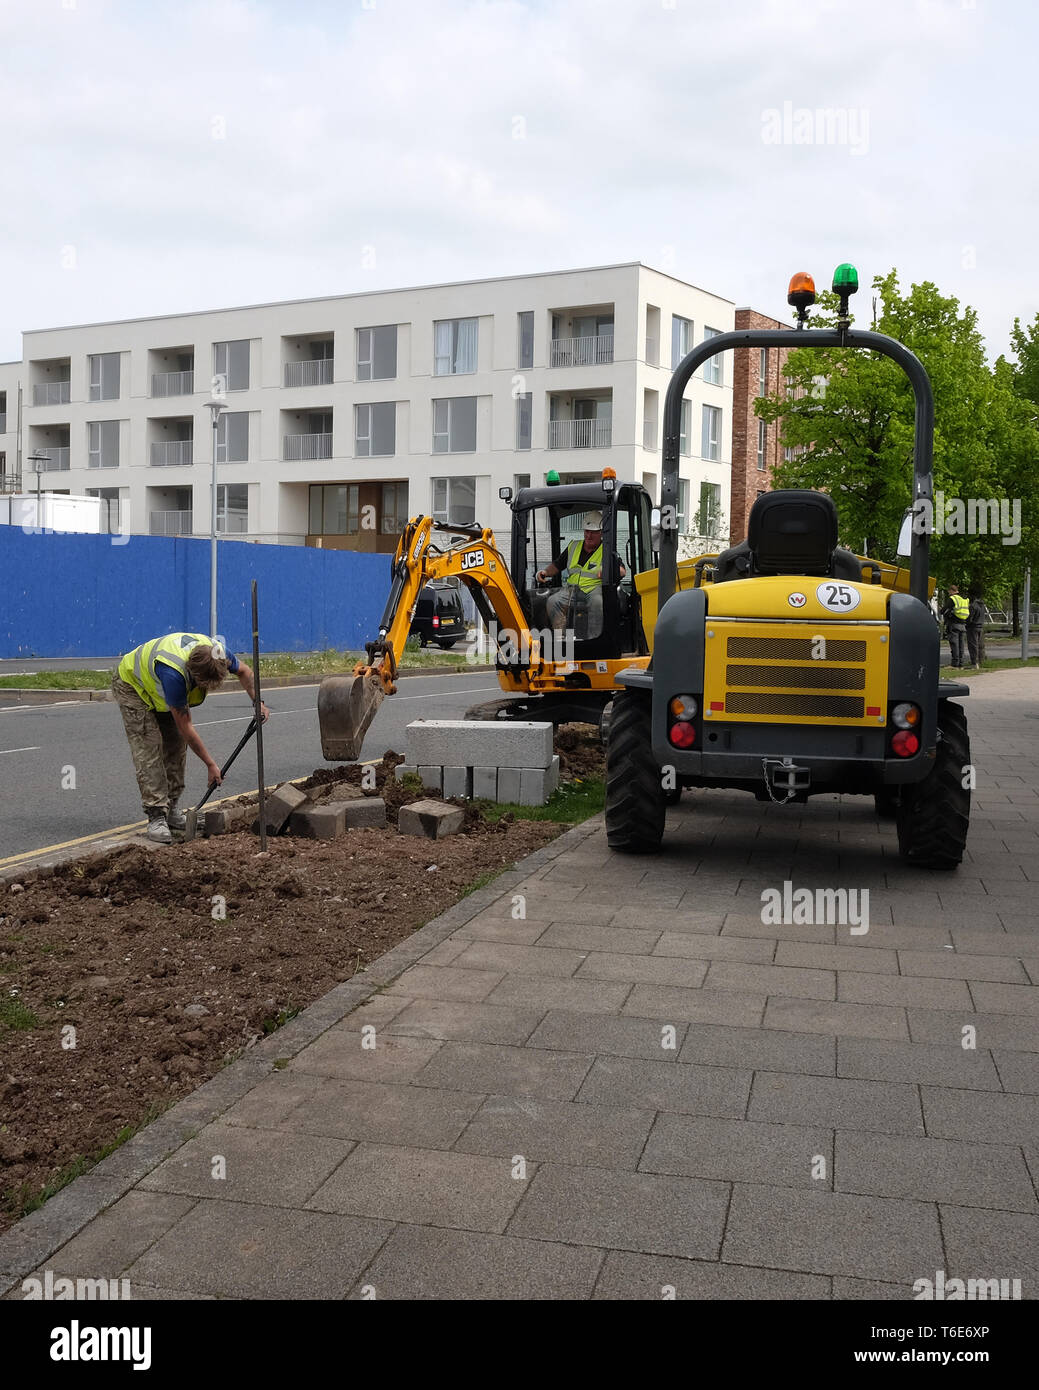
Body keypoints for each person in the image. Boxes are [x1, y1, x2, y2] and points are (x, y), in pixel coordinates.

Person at [112, 632, 269, 843]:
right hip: (133, 686)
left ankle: (172, 809)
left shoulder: (219, 654)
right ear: (192, 675)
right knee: (149, 749)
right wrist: (211, 765)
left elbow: (245, 672)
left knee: (175, 748)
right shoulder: (173, 675)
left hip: (158, 687)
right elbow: (186, 727)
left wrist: (257, 701)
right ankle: (156, 816)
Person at [536, 511, 625, 640]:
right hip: (571, 589)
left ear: (601, 532)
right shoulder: (573, 546)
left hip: (594, 589)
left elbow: (622, 571)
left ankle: (594, 640)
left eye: (593, 532)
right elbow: (557, 565)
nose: (589, 535)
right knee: (553, 601)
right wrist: (545, 572)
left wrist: (608, 570)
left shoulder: (607, 549)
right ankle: (561, 639)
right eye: (587, 531)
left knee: (597, 602)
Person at [941, 585, 970, 668]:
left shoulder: (953, 599)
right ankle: (961, 663)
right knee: (961, 645)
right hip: (963, 625)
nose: (948, 593)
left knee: (954, 644)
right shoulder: (964, 599)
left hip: (954, 624)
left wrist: (942, 611)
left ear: (951, 591)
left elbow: (943, 610)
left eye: (949, 592)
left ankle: (955, 664)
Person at [967, 588, 986, 669]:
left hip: (973, 627)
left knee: (973, 645)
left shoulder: (973, 606)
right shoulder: (982, 605)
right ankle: (980, 661)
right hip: (980, 626)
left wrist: (966, 623)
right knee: (980, 645)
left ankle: (974, 663)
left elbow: (970, 618)